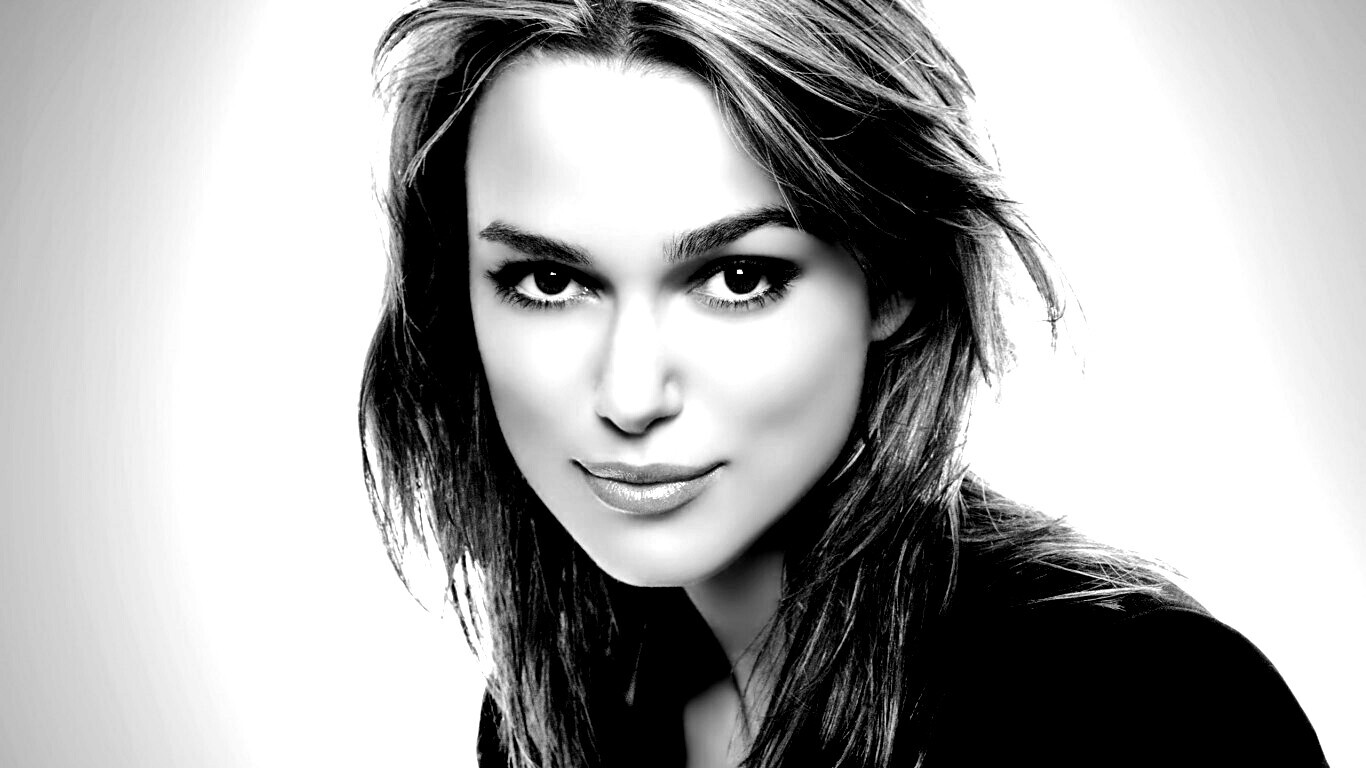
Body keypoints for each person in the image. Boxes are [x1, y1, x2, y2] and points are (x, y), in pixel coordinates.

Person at [358, 1, 1329, 766]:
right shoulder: (560, 712)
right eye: (549, 281)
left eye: (738, 278)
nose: (630, 395)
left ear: (894, 279)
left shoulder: (1142, 708)